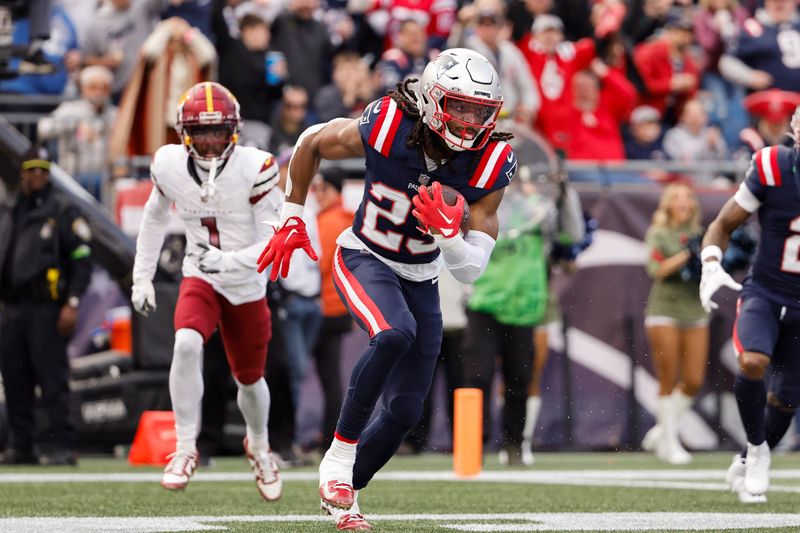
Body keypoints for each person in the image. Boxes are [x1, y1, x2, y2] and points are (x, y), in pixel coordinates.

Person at [256, 48, 516, 530]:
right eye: (459, 107)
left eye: (480, 112)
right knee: (394, 333)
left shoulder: (491, 159)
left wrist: (449, 238)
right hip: (364, 256)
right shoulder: (391, 122)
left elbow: (470, 271)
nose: (469, 121)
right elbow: (313, 139)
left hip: (423, 274)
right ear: (434, 100)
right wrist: (290, 214)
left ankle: (345, 494)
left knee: (405, 410)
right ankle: (336, 457)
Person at [131, 82, 283, 500]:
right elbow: (153, 219)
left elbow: (276, 240)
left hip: (247, 281)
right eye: (201, 132)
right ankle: (184, 448)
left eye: (218, 132)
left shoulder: (256, 166)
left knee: (249, 379)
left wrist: (231, 262)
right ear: (184, 133)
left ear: (234, 131)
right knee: (184, 344)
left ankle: (260, 444)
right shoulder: (168, 164)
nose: (211, 141)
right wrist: (141, 277)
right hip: (201, 274)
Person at [701, 107, 800, 504]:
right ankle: (757, 449)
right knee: (753, 361)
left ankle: (748, 456)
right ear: (794, 128)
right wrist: (710, 261)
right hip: (766, 291)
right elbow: (724, 224)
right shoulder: (773, 166)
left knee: (787, 397)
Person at [0, 146, 91, 466]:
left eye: (42, 169)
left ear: (49, 173)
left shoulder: (63, 209)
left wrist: (73, 302)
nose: (36, 175)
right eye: (31, 169)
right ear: (22, 171)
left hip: (47, 307)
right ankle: (20, 444)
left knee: (52, 379)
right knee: (15, 378)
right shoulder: (11, 207)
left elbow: (82, 260)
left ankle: (61, 445)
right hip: (12, 307)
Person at [641, 183, 708, 465]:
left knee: (693, 380)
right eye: (677, 197)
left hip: (695, 309)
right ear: (668, 204)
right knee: (667, 378)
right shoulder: (659, 233)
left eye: (687, 197)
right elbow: (656, 269)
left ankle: (661, 430)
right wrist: (686, 255)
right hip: (664, 309)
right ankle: (669, 442)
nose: (684, 202)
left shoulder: (701, 234)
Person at [309, 168, 355, 452]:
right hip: (339, 306)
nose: (318, 194)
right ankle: (330, 435)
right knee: (331, 377)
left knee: (317, 374)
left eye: (323, 189)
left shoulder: (329, 221)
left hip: (322, 307)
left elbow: (318, 264)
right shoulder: (344, 219)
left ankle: (327, 436)